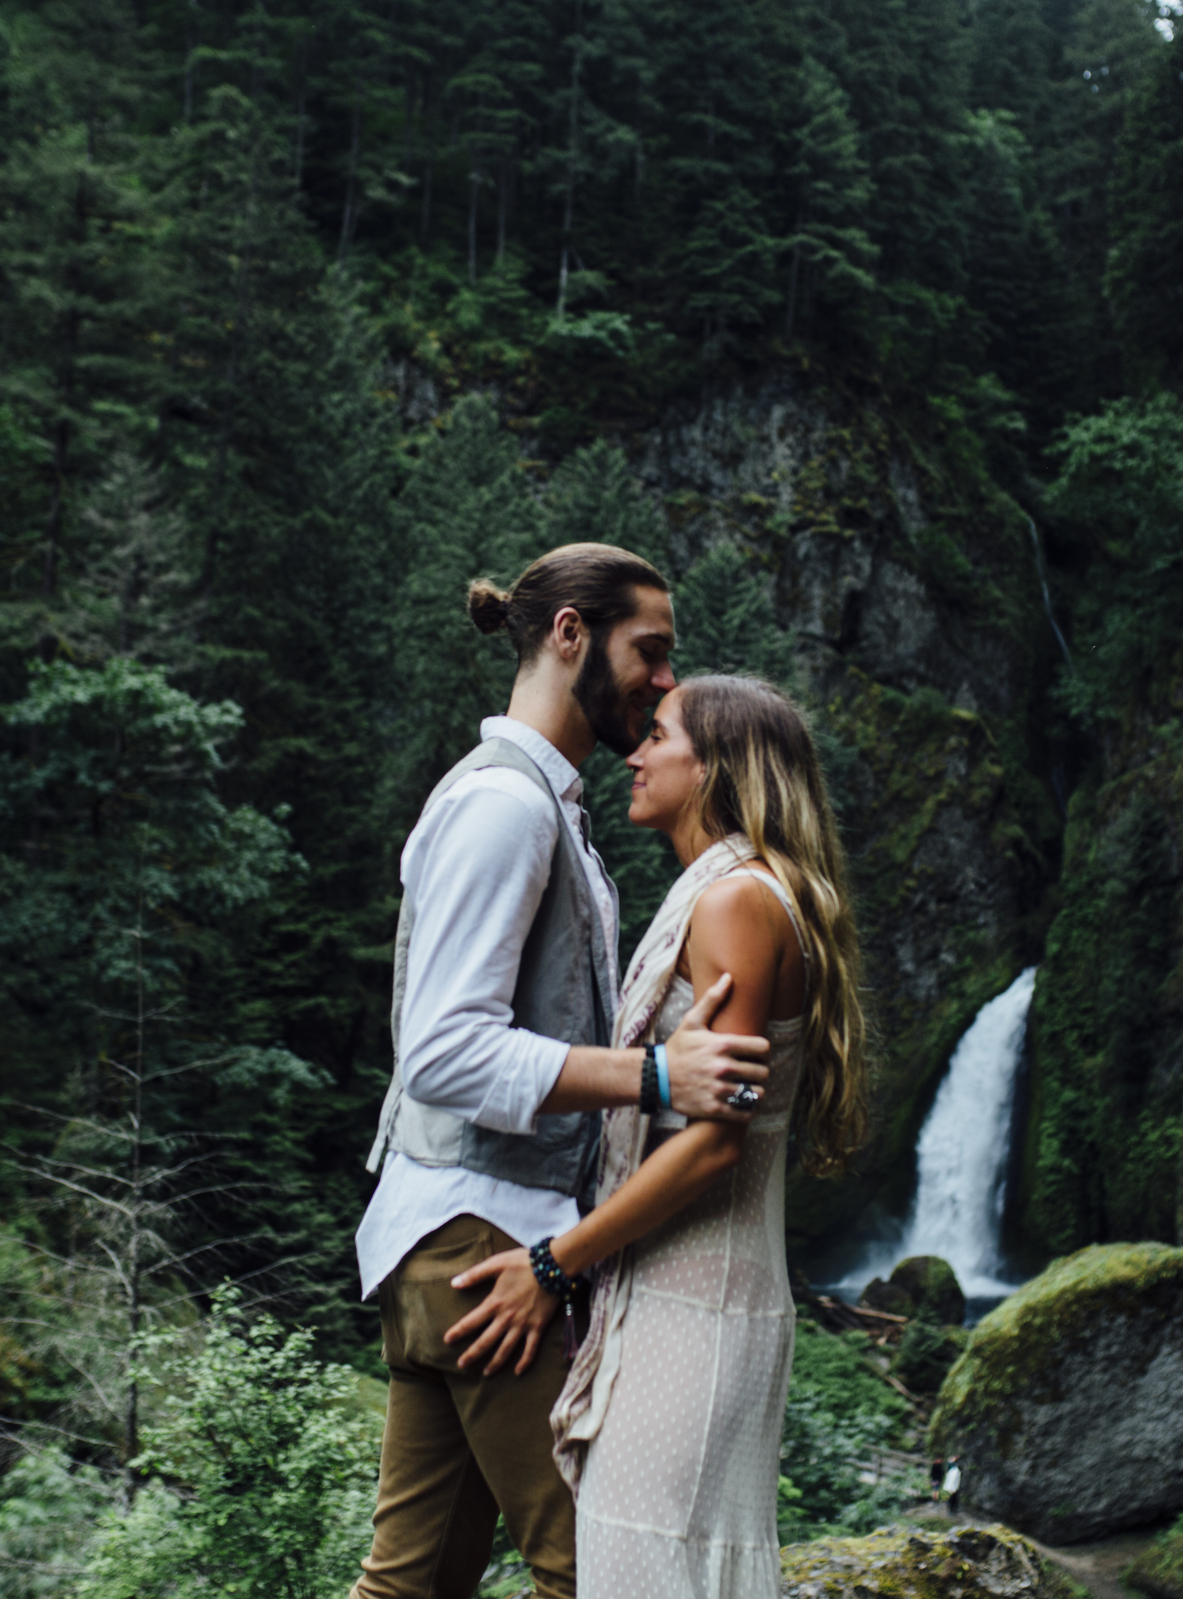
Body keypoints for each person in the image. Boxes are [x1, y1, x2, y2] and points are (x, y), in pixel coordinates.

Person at [351, 545, 774, 1599]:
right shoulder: (505, 806)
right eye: (652, 651)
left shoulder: (548, 809)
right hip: (480, 1236)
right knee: (604, 1570)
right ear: (571, 635)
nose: (666, 680)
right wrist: (656, 1077)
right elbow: (442, 1049)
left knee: (408, 1585)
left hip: (452, 1231)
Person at [447, 673, 870, 1599]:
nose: (634, 752)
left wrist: (554, 1262)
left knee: (643, 1568)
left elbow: (718, 1138)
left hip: (696, 1295)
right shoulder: (748, 892)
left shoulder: (734, 903)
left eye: (659, 737)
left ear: (716, 765)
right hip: (701, 1285)